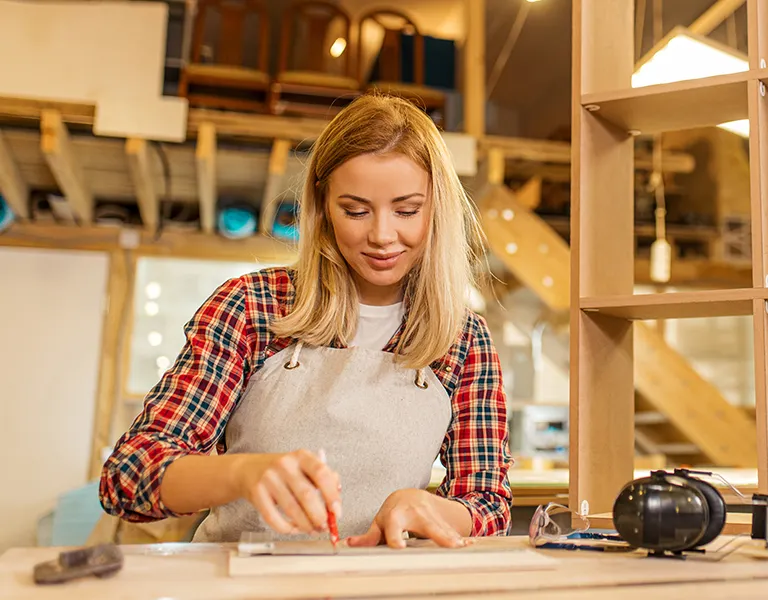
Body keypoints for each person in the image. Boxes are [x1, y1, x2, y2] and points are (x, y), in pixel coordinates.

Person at [99, 94, 513, 548]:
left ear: (438, 209)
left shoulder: (463, 338)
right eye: (354, 210)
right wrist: (240, 473)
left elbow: (488, 503)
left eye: (407, 210)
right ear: (322, 207)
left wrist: (437, 509)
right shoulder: (253, 306)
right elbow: (127, 478)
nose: (381, 235)